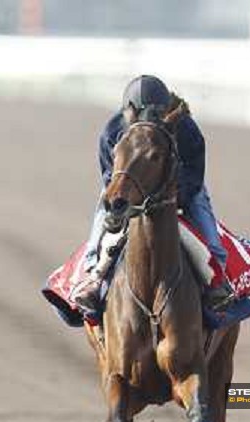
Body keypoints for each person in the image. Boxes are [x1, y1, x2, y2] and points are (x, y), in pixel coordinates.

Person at [71, 74, 235, 313]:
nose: (152, 120)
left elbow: (194, 174)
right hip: (131, 185)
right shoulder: (113, 131)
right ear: (129, 113)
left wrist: (175, 196)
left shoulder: (186, 129)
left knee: (207, 228)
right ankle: (93, 277)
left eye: (157, 114)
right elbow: (110, 174)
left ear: (165, 110)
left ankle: (218, 282)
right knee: (103, 217)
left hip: (179, 186)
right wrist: (122, 200)